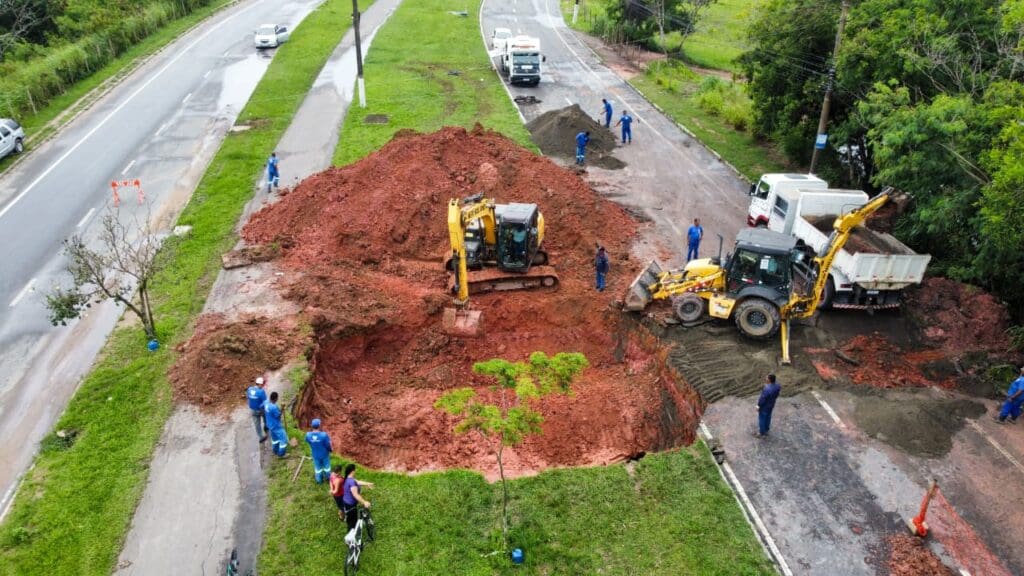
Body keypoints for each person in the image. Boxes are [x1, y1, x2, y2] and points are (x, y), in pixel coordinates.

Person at [340, 463, 374, 532]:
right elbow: (355, 495)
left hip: (346, 502)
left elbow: (357, 482)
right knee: (352, 522)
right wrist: (364, 502)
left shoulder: (348, 478)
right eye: (355, 470)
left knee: (350, 519)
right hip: (350, 505)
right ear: (352, 471)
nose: (356, 471)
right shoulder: (351, 482)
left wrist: (367, 484)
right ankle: (352, 539)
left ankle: (351, 533)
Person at [305, 419, 333, 483]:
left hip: (315, 454)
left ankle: (319, 480)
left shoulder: (308, 435)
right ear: (319, 425)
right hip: (324, 454)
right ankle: (328, 478)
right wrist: (331, 450)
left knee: (317, 468)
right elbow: (328, 445)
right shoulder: (324, 435)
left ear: (312, 426)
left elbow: (308, 442)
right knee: (327, 467)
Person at [755, 373, 782, 438]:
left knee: (762, 418)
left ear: (769, 380)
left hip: (765, 406)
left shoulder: (767, 389)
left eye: (767, 378)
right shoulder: (778, 386)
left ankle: (762, 432)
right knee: (768, 416)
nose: (766, 378)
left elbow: (762, 399)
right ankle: (767, 428)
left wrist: (758, 405)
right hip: (771, 404)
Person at [264, 391, 287, 457]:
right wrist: (282, 409)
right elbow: (278, 416)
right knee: (283, 439)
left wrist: (279, 408)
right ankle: (281, 454)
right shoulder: (273, 407)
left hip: (270, 425)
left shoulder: (266, 403)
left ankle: (275, 450)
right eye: (277, 398)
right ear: (276, 399)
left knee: (275, 439)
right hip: (276, 426)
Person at [245, 377, 268, 444]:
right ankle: (266, 427)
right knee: (265, 418)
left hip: (252, 410)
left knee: (257, 424)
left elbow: (248, 397)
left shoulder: (249, 389)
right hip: (260, 410)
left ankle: (261, 437)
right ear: (260, 384)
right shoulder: (261, 391)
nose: (263, 385)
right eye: (262, 384)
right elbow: (265, 401)